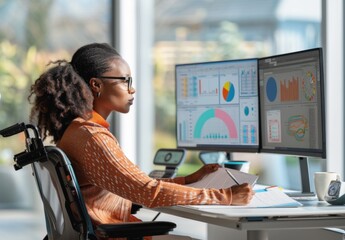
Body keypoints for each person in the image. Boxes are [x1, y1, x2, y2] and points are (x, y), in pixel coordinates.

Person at [28, 43, 254, 239]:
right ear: (96, 85)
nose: (132, 88)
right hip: (111, 233)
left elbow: (135, 186)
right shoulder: (93, 137)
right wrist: (226, 195)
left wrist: (188, 180)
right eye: (125, 81)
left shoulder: (78, 130)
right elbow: (148, 192)